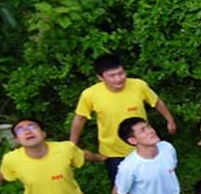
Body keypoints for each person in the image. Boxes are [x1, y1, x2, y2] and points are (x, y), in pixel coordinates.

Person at [70, 54, 176, 184]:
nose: (118, 79)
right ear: (100, 77)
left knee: (152, 182)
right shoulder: (90, 95)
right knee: (122, 186)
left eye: (121, 73)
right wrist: (72, 144)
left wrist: (170, 120)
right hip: (113, 151)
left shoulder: (139, 85)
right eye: (112, 76)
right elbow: (80, 119)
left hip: (143, 145)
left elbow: (157, 102)